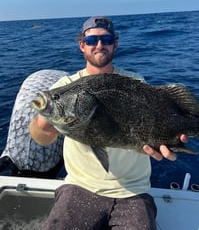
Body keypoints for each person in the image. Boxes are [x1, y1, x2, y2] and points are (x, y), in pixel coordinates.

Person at [30, 16, 187, 230]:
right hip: (80, 186)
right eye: (92, 39)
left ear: (115, 43)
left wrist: (171, 141)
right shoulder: (65, 86)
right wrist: (44, 123)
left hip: (133, 191)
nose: (100, 45)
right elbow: (41, 138)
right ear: (82, 45)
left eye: (106, 39)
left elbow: (148, 128)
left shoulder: (136, 83)